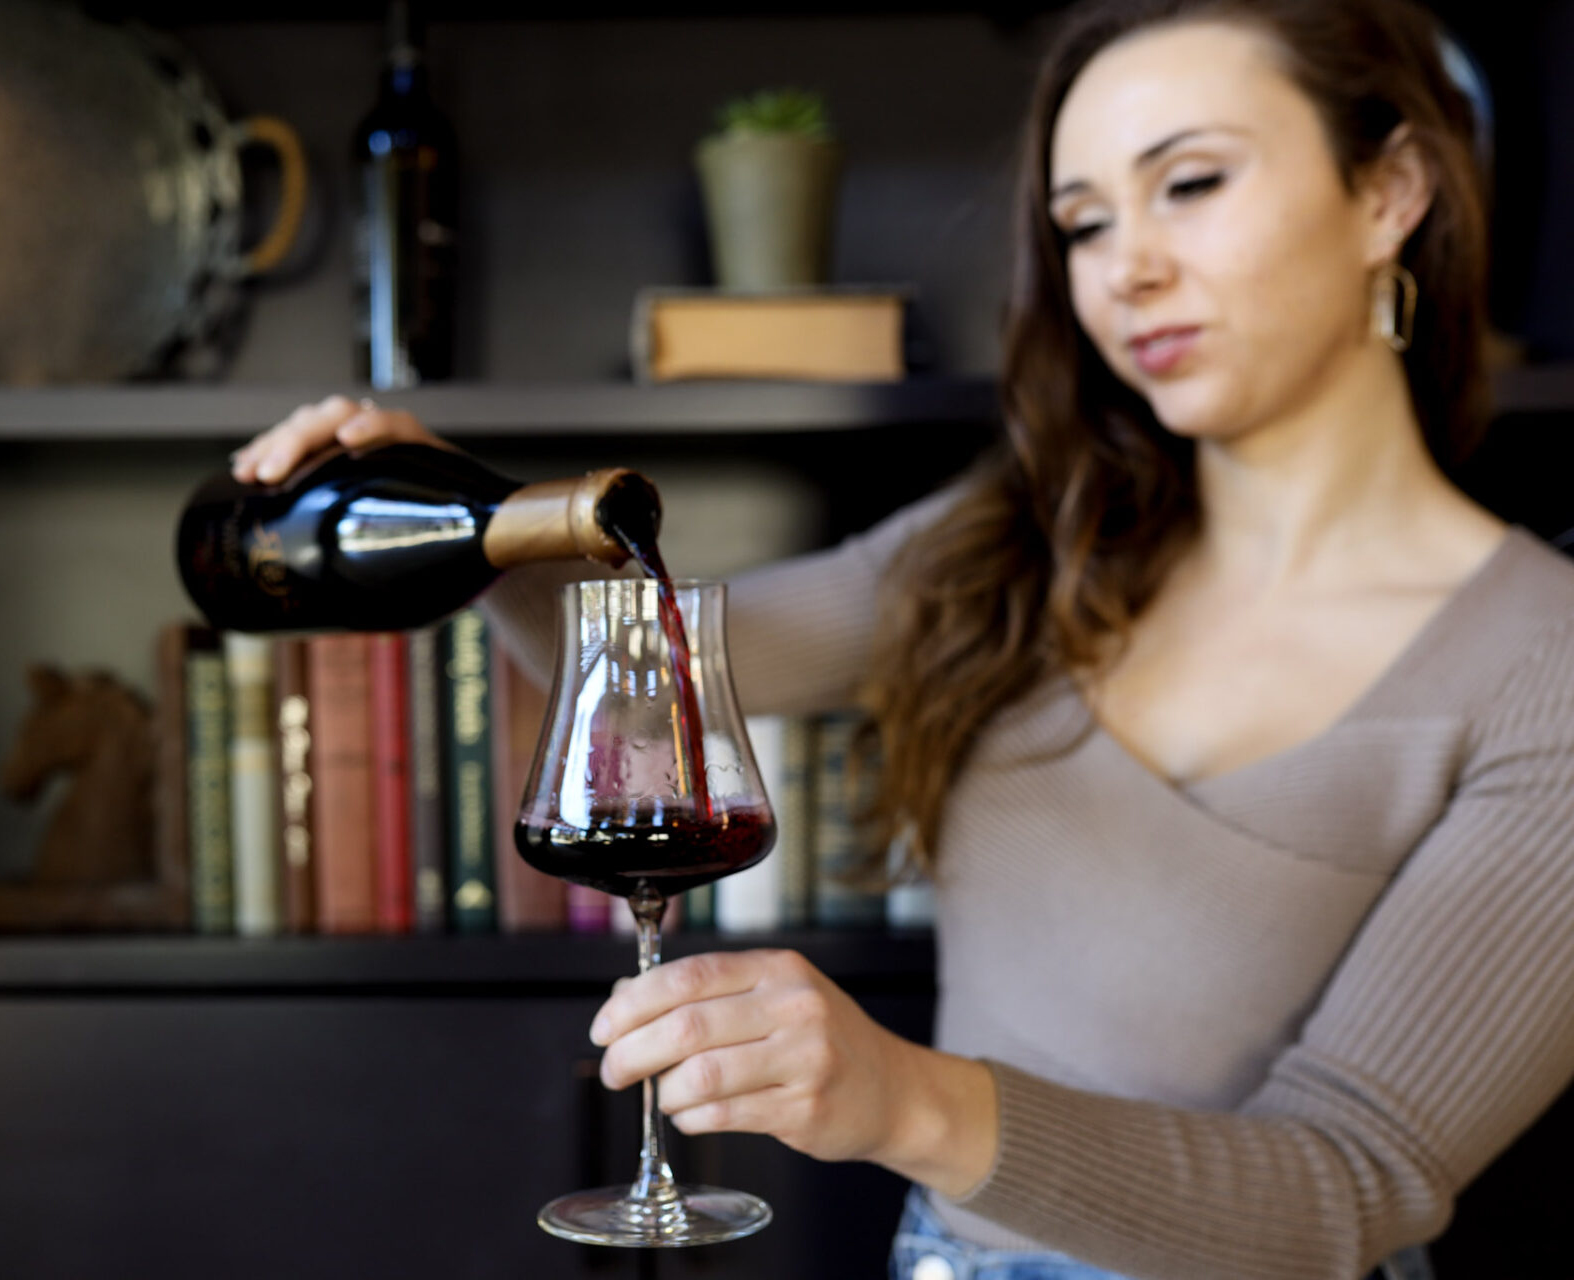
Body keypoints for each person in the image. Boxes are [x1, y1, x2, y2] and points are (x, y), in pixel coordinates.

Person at [227, 1, 1574, 1275]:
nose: (1130, 270)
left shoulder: (1538, 660)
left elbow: (1344, 1191)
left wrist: (902, 1100)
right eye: (1083, 223)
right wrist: (465, 517)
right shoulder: (1023, 541)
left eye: (1194, 183)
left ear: (1390, 194)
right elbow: (671, 676)